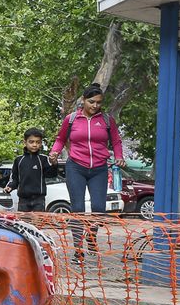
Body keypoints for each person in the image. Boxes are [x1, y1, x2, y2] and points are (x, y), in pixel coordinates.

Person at [49, 84, 125, 260]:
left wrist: (119, 156)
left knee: (99, 209)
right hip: (76, 166)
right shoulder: (71, 119)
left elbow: (116, 141)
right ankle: (78, 249)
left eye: (99, 102)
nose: (95, 106)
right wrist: (54, 152)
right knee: (78, 209)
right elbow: (61, 139)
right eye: (91, 102)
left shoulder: (107, 120)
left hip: (99, 168)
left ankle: (91, 237)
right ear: (83, 100)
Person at [3, 128, 55, 212]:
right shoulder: (18, 160)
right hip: (23, 200)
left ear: (41, 143)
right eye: (31, 142)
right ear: (25, 142)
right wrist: (10, 187)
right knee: (24, 223)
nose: (34, 145)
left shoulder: (43, 159)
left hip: (39, 200)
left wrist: (54, 164)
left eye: (38, 142)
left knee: (37, 224)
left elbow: (51, 174)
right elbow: (14, 178)